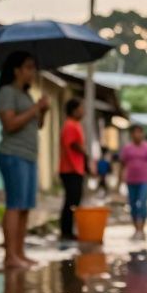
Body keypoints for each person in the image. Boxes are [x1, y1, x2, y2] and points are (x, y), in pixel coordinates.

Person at [0, 51, 49, 268]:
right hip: (12, 154)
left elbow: (37, 125)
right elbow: (9, 124)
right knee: (15, 205)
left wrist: (42, 111)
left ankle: (20, 252)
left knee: (25, 206)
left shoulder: (26, 95)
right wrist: (35, 108)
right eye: (28, 67)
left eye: (33, 67)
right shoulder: (7, 93)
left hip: (28, 155)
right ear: (16, 70)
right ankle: (10, 255)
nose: (32, 72)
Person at [118, 124, 147, 240]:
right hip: (130, 181)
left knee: (142, 204)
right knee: (132, 205)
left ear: (143, 134)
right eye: (135, 132)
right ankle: (136, 229)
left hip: (144, 181)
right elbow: (122, 165)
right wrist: (119, 181)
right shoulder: (127, 149)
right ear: (131, 134)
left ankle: (142, 229)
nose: (138, 135)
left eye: (140, 132)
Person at [58, 99, 88, 243]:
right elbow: (72, 144)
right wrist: (85, 152)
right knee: (71, 202)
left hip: (76, 169)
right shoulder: (70, 125)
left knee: (74, 201)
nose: (83, 111)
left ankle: (69, 231)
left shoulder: (75, 124)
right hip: (70, 169)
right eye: (81, 108)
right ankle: (66, 232)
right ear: (74, 110)